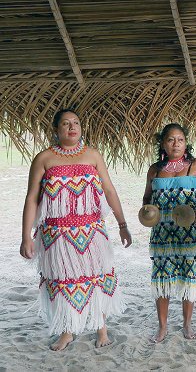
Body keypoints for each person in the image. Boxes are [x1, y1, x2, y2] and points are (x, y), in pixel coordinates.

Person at [20, 108, 132, 351]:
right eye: (65, 123)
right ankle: (66, 331)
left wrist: (123, 225)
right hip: (56, 236)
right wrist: (25, 236)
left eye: (76, 123)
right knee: (61, 280)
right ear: (56, 130)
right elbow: (31, 199)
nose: (72, 127)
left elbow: (110, 190)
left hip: (91, 232)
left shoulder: (92, 155)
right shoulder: (44, 158)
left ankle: (101, 327)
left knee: (97, 276)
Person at [142, 123, 196, 343]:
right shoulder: (155, 169)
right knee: (162, 278)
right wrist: (148, 210)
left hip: (189, 232)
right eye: (171, 140)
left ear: (186, 142)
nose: (176, 144)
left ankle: (187, 324)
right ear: (163, 143)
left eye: (180, 139)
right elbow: (147, 198)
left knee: (188, 277)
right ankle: (162, 327)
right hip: (163, 233)